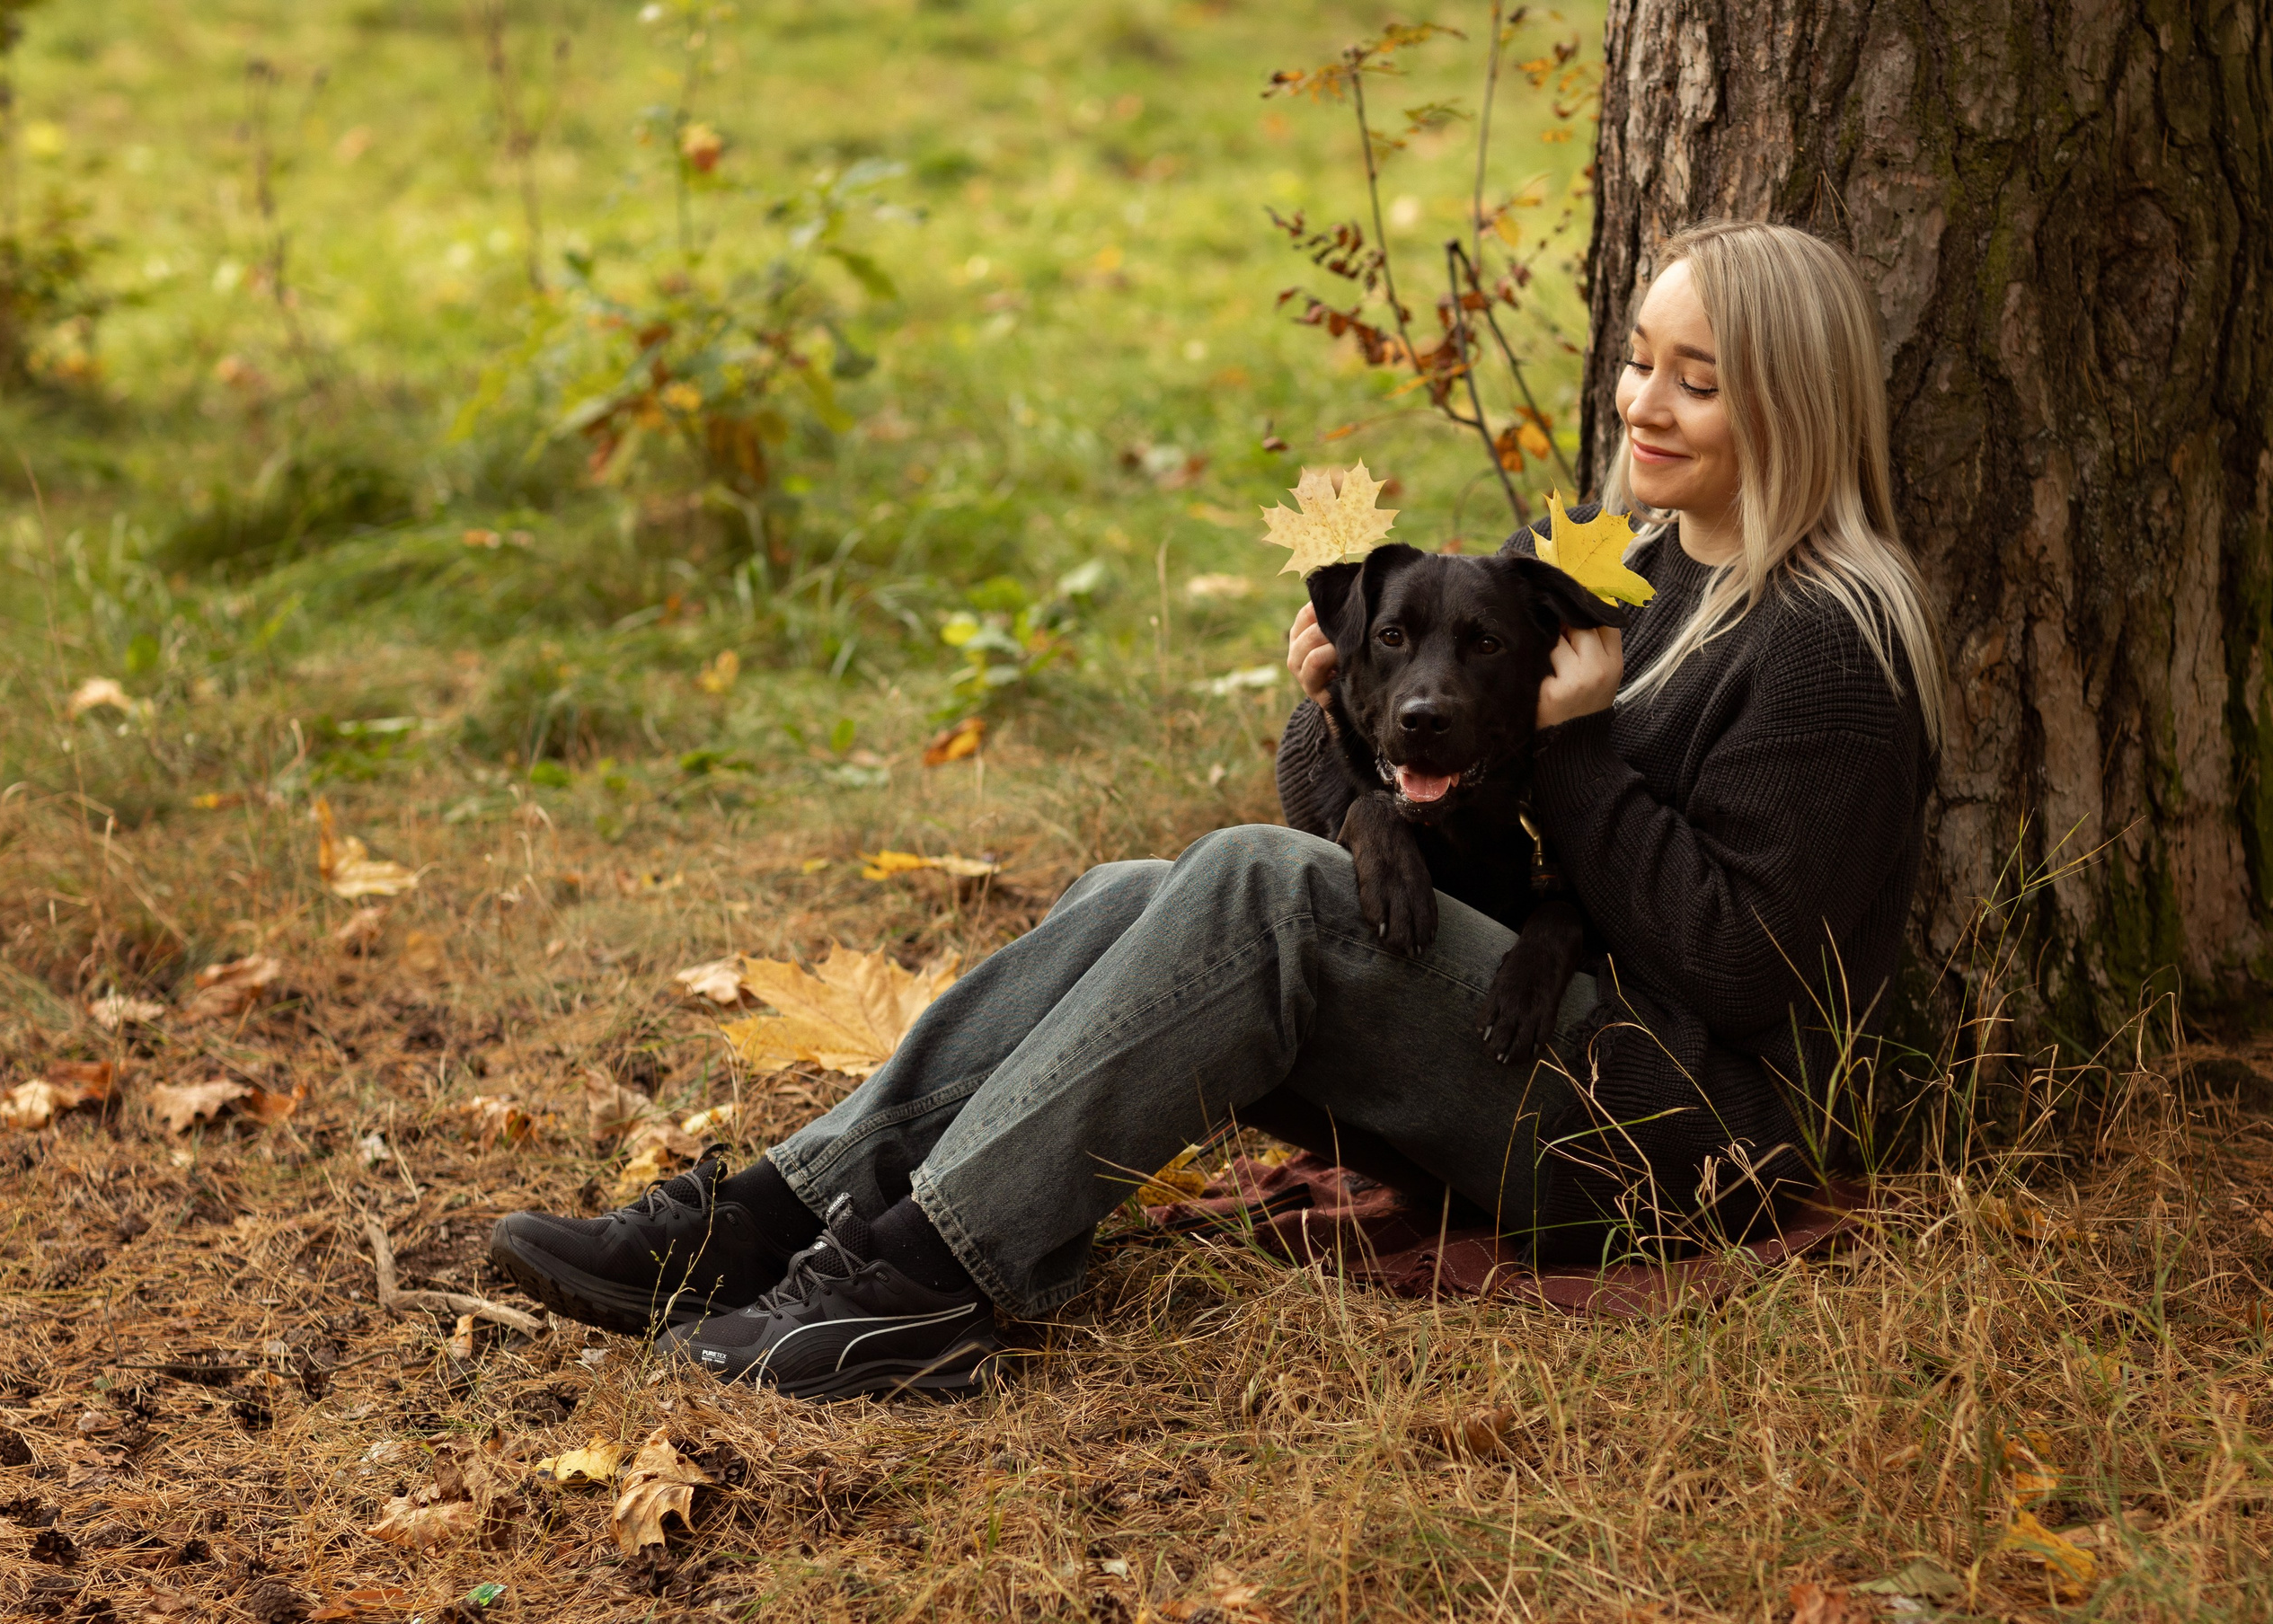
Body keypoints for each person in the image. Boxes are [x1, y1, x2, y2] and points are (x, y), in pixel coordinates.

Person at [488, 220, 1942, 1401]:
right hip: (1519, 1025)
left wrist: (1567, 749)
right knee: (1140, 891)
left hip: (1677, 1133)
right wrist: (1335, 713)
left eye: (1697, 379)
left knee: (1246, 886)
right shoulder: (1607, 561)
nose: (1641, 403)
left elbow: (1753, 969)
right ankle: (771, 1216)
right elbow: (1358, 839)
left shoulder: (1826, 645)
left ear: (1791, 403)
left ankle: (929, 1282)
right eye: (1637, 362)